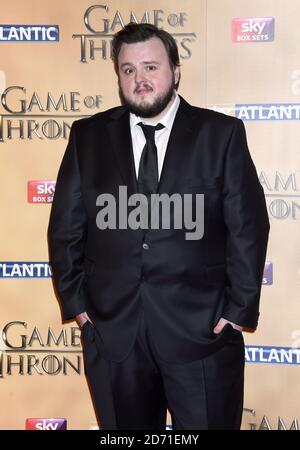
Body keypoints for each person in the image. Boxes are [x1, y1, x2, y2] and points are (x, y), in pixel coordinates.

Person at [48, 23, 269, 430]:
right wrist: (77, 306)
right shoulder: (87, 136)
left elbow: (248, 228)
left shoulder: (220, 135)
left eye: (150, 66)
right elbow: (65, 229)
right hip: (114, 335)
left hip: (202, 332)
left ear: (176, 71)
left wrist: (237, 312)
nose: (140, 79)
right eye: (128, 70)